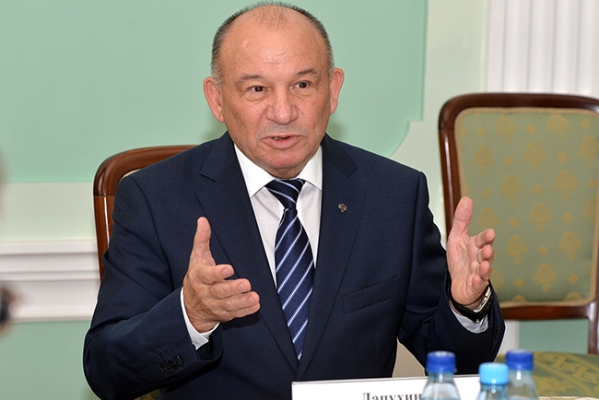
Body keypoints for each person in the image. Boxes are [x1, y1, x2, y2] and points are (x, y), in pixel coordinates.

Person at [83, 3, 505, 399]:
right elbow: (106, 370)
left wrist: (465, 305)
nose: (283, 112)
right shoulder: (155, 199)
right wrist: (190, 316)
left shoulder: (394, 195)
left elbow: (457, 362)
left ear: (333, 90)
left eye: (303, 85)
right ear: (217, 99)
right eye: (256, 88)